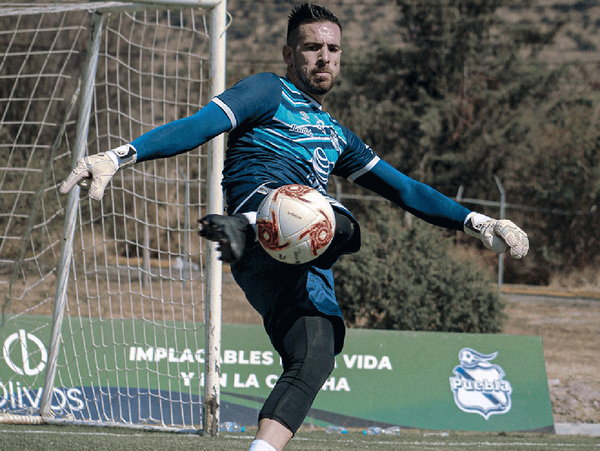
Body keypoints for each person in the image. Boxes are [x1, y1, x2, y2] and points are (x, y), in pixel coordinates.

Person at [60, 4, 529, 450]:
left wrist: (477, 221)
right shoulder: (267, 91)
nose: (324, 57)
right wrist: (121, 155)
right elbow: (200, 125)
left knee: (314, 356)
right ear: (289, 54)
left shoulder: (338, 134)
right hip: (264, 218)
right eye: (311, 47)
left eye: (333, 49)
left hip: (303, 257)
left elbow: (403, 188)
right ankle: (249, 225)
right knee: (338, 221)